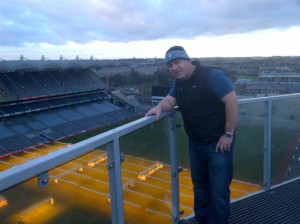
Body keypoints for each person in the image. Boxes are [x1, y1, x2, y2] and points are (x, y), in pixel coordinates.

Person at [145, 46, 238, 224]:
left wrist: (228, 134)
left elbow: (232, 101)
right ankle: (202, 219)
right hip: (196, 143)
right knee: (200, 187)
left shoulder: (211, 75)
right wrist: (159, 107)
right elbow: (169, 100)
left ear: (188, 60)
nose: (174, 68)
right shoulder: (179, 83)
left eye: (177, 62)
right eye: (170, 65)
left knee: (219, 191)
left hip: (218, 142)